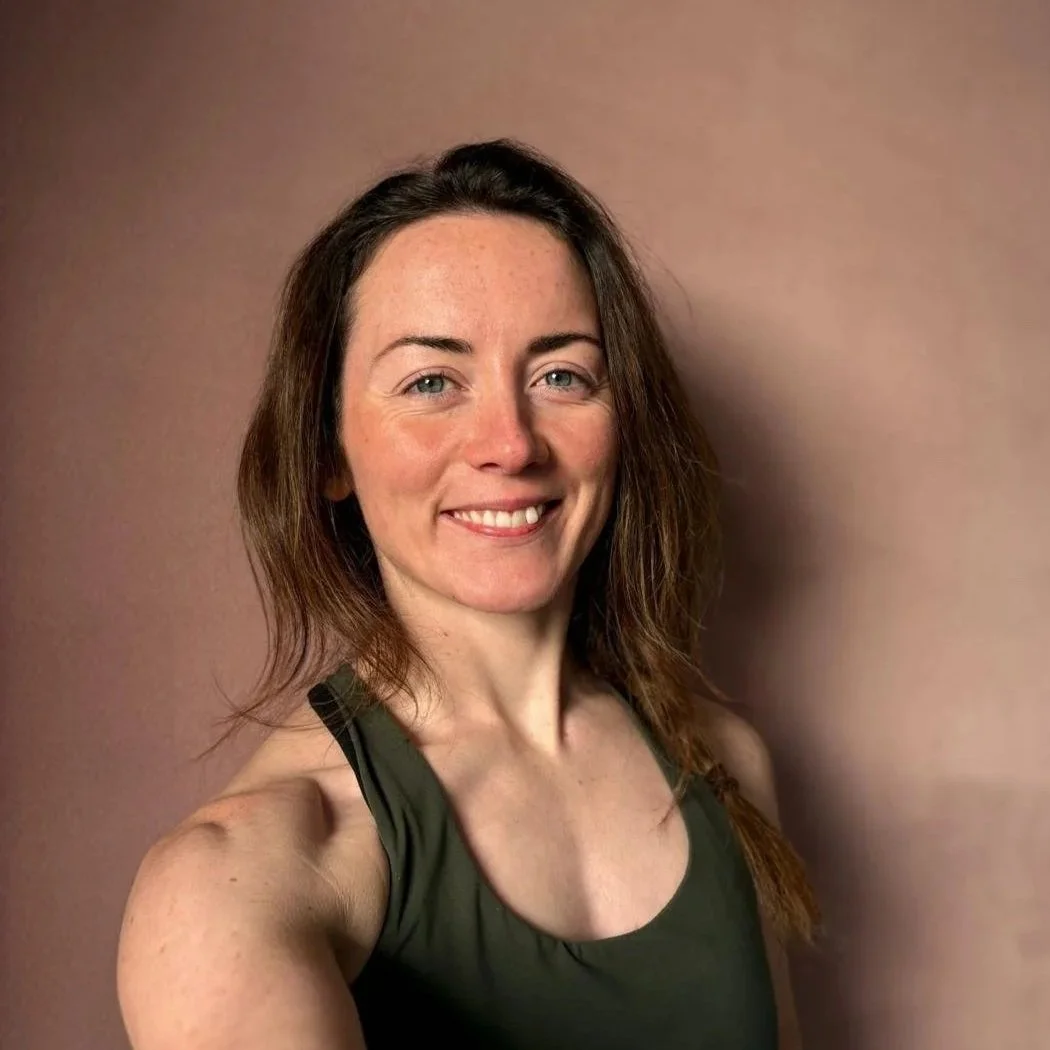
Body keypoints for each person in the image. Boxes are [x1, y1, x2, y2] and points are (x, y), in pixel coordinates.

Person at [117, 140, 819, 1049]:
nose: (510, 444)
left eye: (560, 374)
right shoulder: (241, 873)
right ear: (327, 453)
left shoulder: (730, 768)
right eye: (431, 382)